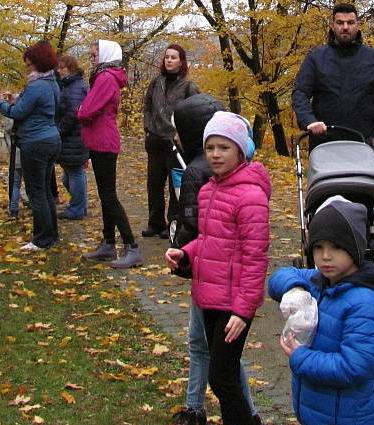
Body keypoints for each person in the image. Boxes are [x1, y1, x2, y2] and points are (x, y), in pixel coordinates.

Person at [165, 112, 270, 425]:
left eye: (224, 147)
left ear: (240, 150)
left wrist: (243, 310)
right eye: (210, 147)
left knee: (222, 378)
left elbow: (255, 257)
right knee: (223, 377)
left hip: (233, 303)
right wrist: (186, 253)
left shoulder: (251, 195)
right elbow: (209, 240)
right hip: (209, 295)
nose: (215, 154)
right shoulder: (209, 189)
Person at [269, 197, 374, 425]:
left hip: (346, 416)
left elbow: (355, 367)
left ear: (354, 249)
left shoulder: (363, 303)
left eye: (336, 247)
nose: (325, 256)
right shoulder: (320, 281)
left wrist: (300, 358)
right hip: (316, 411)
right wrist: (294, 289)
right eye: (318, 247)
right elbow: (279, 277)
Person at [292, 2, 374, 151]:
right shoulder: (316, 57)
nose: (345, 27)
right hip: (324, 146)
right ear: (332, 25)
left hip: (363, 145)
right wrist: (309, 121)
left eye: (350, 22)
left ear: (358, 25)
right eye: (340, 22)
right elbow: (300, 93)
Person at [78, 40, 143, 269]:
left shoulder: (106, 78)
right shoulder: (104, 77)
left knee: (108, 195)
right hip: (99, 141)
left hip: (104, 141)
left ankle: (131, 245)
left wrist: (81, 110)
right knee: (106, 194)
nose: (91, 57)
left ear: (105, 54)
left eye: (94, 53)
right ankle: (108, 243)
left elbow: (87, 110)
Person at [0, 41, 61, 251]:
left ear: (36, 62)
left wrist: (1, 104)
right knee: (45, 189)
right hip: (51, 138)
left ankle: (41, 238)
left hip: (35, 141)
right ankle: (51, 234)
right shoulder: (52, 83)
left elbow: (17, 112)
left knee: (36, 192)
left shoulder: (36, 86)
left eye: (29, 64)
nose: (27, 67)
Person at [142, 44, 200, 239]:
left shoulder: (188, 86)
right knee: (154, 184)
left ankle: (172, 223)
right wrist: (148, 128)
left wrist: (182, 135)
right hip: (155, 140)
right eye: (167, 57)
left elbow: (196, 111)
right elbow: (148, 106)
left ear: (181, 61)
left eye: (173, 57)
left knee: (175, 185)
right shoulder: (156, 83)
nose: (169, 60)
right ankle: (155, 222)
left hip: (175, 143)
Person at [56, 54, 89, 220]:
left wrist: (59, 130)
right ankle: (80, 205)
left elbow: (72, 113)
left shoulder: (75, 86)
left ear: (71, 68)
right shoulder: (70, 85)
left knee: (74, 174)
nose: (60, 71)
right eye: (59, 67)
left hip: (74, 137)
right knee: (69, 175)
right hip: (73, 136)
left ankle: (78, 207)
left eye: (63, 67)